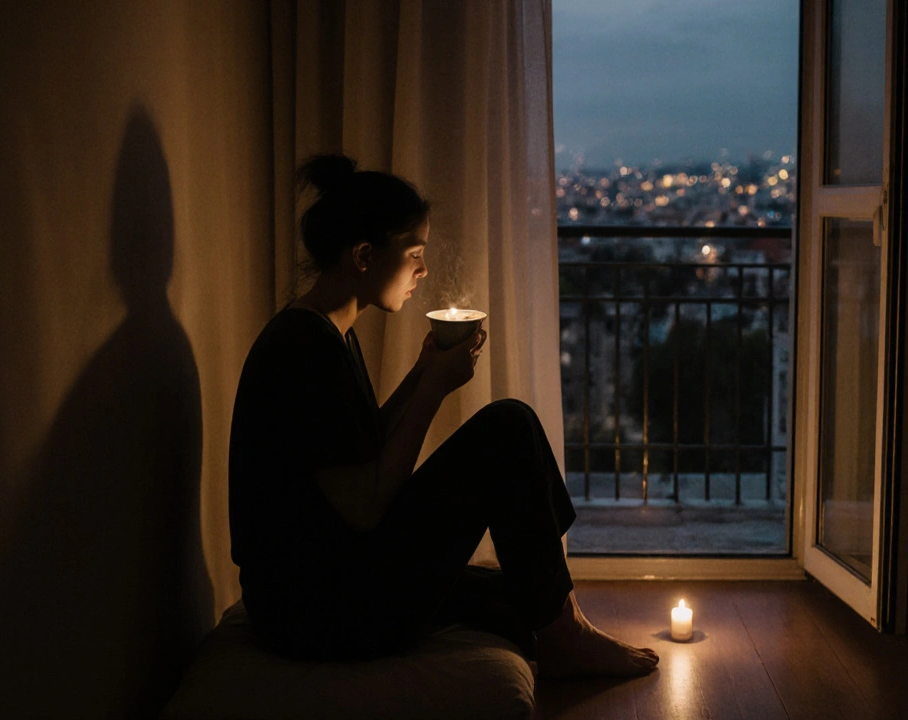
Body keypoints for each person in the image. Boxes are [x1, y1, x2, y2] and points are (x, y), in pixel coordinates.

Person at [228, 154, 658, 677]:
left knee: (508, 592)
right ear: (364, 256)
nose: (422, 270)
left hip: (321, 587)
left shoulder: (323, 330)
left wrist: (419, 372)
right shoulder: (304, 347)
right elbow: (366, 507)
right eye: (413, 253)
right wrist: (432, 388)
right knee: (508, 426)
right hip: (318, 613)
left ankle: (558, 620)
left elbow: (358, 452)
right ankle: (566, 634)